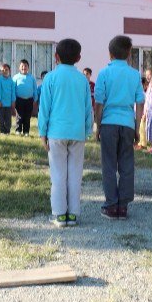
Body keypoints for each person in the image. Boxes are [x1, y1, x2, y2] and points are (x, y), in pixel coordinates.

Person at [39, 38, 92, 227]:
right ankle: (74, 214)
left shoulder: (50, 78)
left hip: (56, 133)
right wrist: (87, 130)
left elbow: (44, 108)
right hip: (77, 133)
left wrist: (42, 132)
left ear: (56, 57)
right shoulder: (82, 80)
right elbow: (88, 108)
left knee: (58, 174)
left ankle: (60, 215)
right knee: (75, 174)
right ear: (79, 58)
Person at [94, 36, 145, 220]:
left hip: (108, 122)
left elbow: (99, 102)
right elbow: (140, 102)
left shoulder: (104, 73)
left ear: (110, 53)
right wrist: (137, 127)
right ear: (129, 53)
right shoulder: (134, 75)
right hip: (127, 123)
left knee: (108, 165)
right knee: (126, 164)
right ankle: (123, 206)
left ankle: (110, 205)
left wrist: (98, 126)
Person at [13, 59, 38, 136]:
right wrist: (13, 99)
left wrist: (35, 98)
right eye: (22, 66)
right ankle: (18, 130)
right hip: (19, 99)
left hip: (29, 100)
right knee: (19, 116)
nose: (24, 68)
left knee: (27, 116)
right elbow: (13, 89)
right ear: (19, 68)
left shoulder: (32, 78)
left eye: (26, 66)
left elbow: (35, 88)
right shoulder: (16, 77)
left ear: (28, 67)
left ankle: (26, 131)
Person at [0, 64, 15, 134]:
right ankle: (2, 131)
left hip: (8, 104)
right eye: (2, 70)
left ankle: (7, 131)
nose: (4, 71)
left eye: (6, 69)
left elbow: (13, 92)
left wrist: (13, 101)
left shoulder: (11, 81)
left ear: (9, 71)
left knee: (8, 119)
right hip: (1, 104)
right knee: (1, 119)